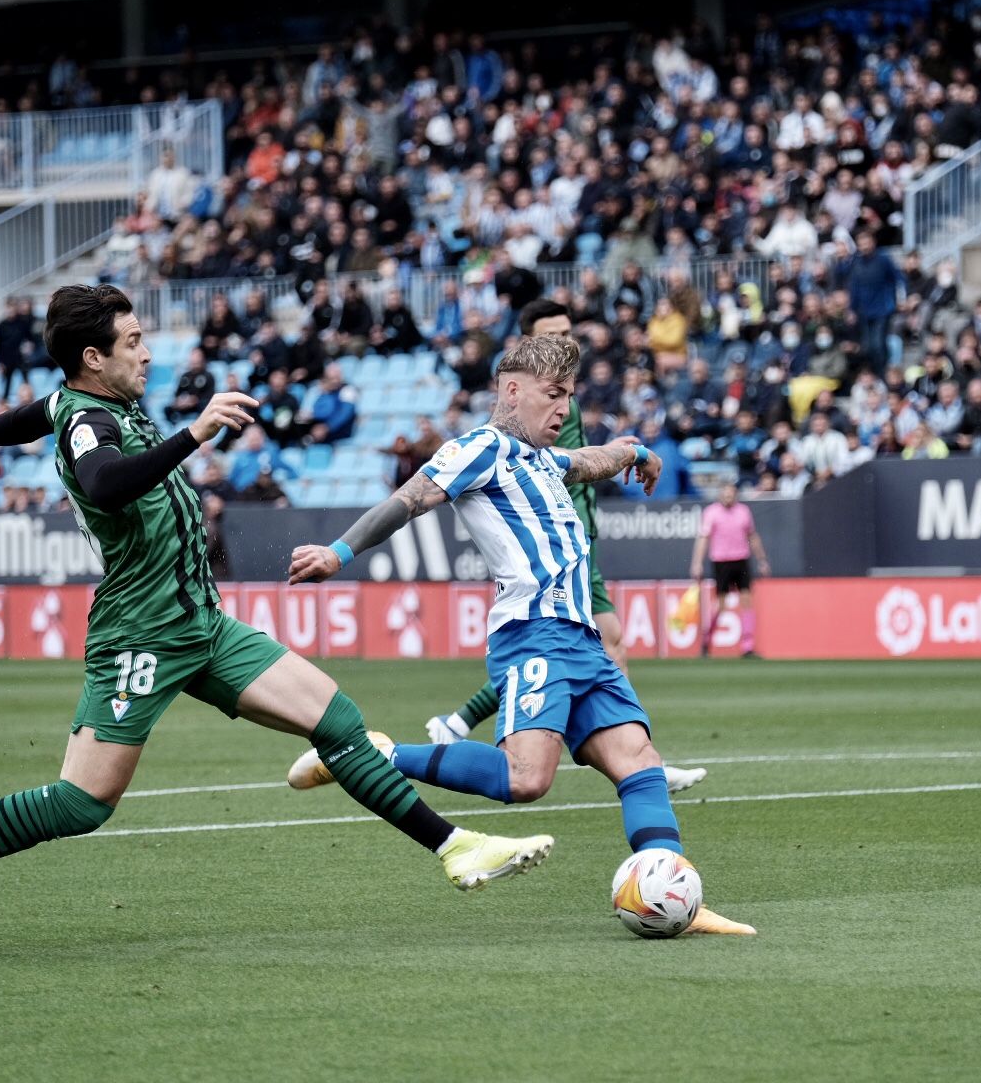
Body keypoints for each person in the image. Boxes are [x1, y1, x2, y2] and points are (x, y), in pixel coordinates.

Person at [0, 286, 551, 964]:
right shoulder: (88, 422)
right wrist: (193, 432)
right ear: (92, 357)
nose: (145, 351)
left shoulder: (89, 400)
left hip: (200, 621)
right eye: (132, 342)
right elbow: (106, 482)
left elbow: (34, 412)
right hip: (140, 632)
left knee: (337, 721)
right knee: (83, 803)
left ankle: (456, 848)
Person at [286, 332, 753, 936]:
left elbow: (589, 461)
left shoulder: (541, 459)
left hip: (582, 639)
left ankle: (673, 893)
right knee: (526, 779)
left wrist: (633, 454)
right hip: (534, 634)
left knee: (639, 761)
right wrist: (338, 552)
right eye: (553, 395)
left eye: (570, 396)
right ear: (512, 390)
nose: (564, 409)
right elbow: (409, 499)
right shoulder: (479, 448)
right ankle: (379, 755)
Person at [419, 300, 707, 794]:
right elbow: (550, 465)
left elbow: (575, 458)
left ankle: (629, 753)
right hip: (550, 542)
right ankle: (627, 753)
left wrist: (626, 451)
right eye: (553, 333)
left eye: (570, 330)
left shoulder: (561, 397)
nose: (566, 339)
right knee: (595, 639)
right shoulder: (524, 407)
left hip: (578, 536)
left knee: (582, 642)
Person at [690, 479, 771, 657]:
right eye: (725, 494)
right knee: (721, 605)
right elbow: (703, 539)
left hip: (741, 559)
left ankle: (748, 646)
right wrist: (697, 563)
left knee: (747, 601)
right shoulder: (711, 513)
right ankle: (706, 640)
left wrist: (762, 559)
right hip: (721, 561)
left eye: (731, 494)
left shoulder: (743, 511)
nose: (728, 497)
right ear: (720, 495)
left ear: (735, 495)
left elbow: (753, 536)